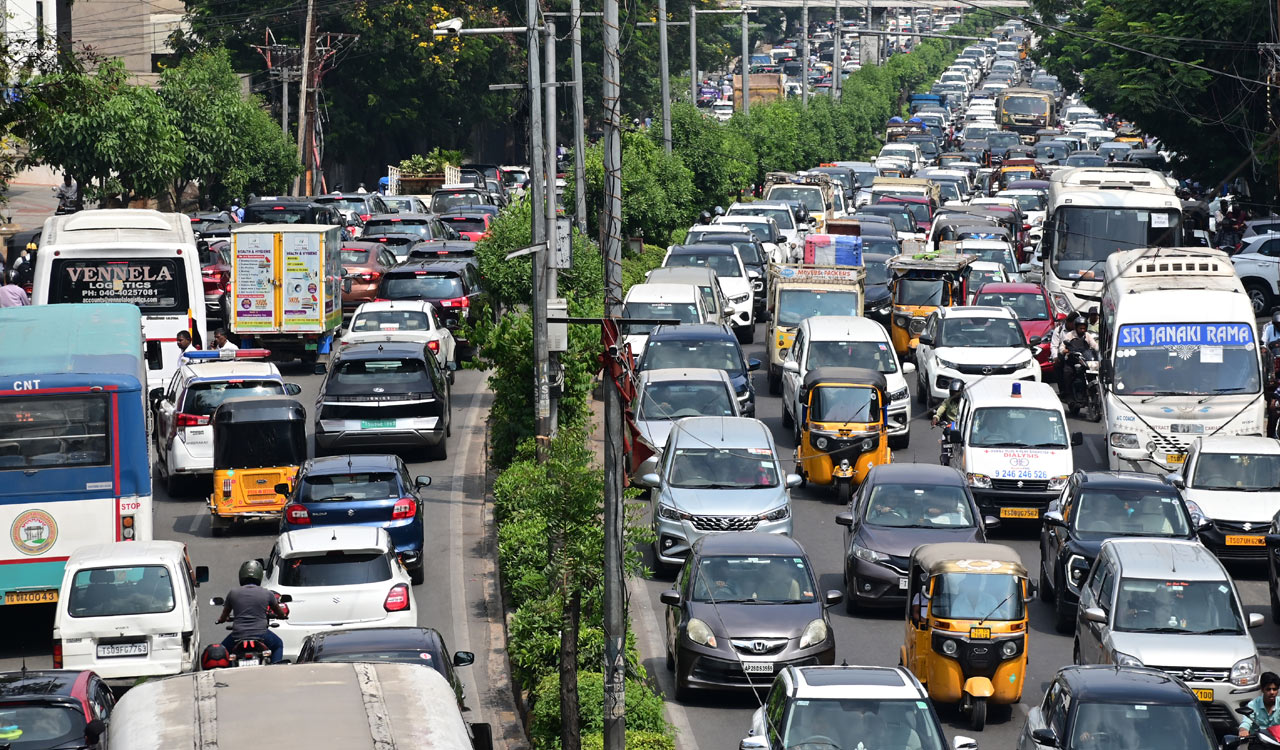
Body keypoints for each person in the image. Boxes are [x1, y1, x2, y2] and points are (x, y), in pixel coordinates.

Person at [215, 560, 287, 662]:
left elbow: (224, 615)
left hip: (238, 634)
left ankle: (227, 669)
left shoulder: (233, 593)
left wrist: (222, 620)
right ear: (259, 575)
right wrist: (282, 616)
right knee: (278, 644)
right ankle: (275, 668)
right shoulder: (267, 593)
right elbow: (279, 611)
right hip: (262, 634)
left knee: (222, 650)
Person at [1059, 315, 1098, 400]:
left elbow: (1094, 345)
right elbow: (1062, 347)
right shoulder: (1070, 335)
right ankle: (1068, 395)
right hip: (1072, 360)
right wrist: (1065, 350)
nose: (1082, 330)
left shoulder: (1087, 335)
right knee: (1068, 373)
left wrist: (1099, 350)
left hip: (1085, 360)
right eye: (1081, 328)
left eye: (1084, 328)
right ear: (1076, 327)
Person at [1239, 672, 1280, 738]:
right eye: (1268, 689)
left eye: (1274, 689)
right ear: (1262, 689)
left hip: (1277, 740)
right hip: (1258, 741)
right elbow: (1246, 722)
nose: (1272, 692)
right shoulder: (1253, 704)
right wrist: (1243, 730)